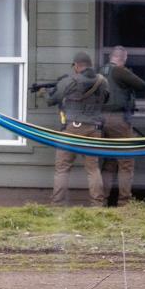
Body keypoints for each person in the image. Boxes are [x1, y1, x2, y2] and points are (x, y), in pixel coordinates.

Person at [45, 51, 109, 206]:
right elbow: (106, 99)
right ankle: (97, 204)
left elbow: (51, 100)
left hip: (72, 129)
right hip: (94, 129)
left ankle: (57, 204)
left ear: (77, 65)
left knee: (62, 168)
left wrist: (45, 92)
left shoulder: (70, 81)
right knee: (93, 169)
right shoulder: (102, 81)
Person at [98, 46, 145, 206]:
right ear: (123, 58)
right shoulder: (119, 71)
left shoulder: (100, 71)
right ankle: (124, 203)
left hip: (100, 120)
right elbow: (142, 85)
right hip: (117, 119)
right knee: (126, 162)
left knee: (109, 162)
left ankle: (101, 200)